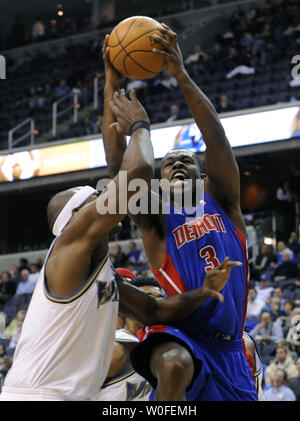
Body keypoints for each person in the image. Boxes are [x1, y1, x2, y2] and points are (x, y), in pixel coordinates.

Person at [0, 88, 236, 402]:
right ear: (79, 218)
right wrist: (140, 126)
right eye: (98, 199)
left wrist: (202, 293)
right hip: (38, 396)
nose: (107, 198)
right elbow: (132, 173)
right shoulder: (68, 253)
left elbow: (153, 309)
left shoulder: (100, 274)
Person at [102, 24, 257, 401]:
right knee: (171, 363)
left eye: (186, 160)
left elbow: (215, 137)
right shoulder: (156, 218)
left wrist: (181, 74)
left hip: (231, 352)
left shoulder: (223, 202)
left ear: (203, 175)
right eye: (168, 163)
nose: (176, 164)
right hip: (182, 334)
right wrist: (110, 83)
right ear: (159, 180)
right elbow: (119, 168)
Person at [93, 276, 164, 401]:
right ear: (127, 307)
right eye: (149, 299)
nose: (155, 305)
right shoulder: (116, 347)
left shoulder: (170, 342)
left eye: (160, 299)